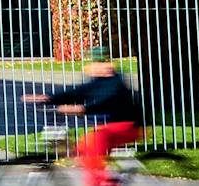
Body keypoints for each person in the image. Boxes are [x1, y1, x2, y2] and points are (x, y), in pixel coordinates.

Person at [22, 46, 145, 186]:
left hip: (130, 126)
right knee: (83, 148)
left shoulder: (115, 82)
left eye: (102, 62)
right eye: (96, 63)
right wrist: (47, 98)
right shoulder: (98, 81)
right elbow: (76, 93)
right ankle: (101, 180)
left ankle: (106, 181)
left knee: (95, 139)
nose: (97, 67)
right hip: (113, 126)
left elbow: (107, 101)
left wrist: (82, 109)